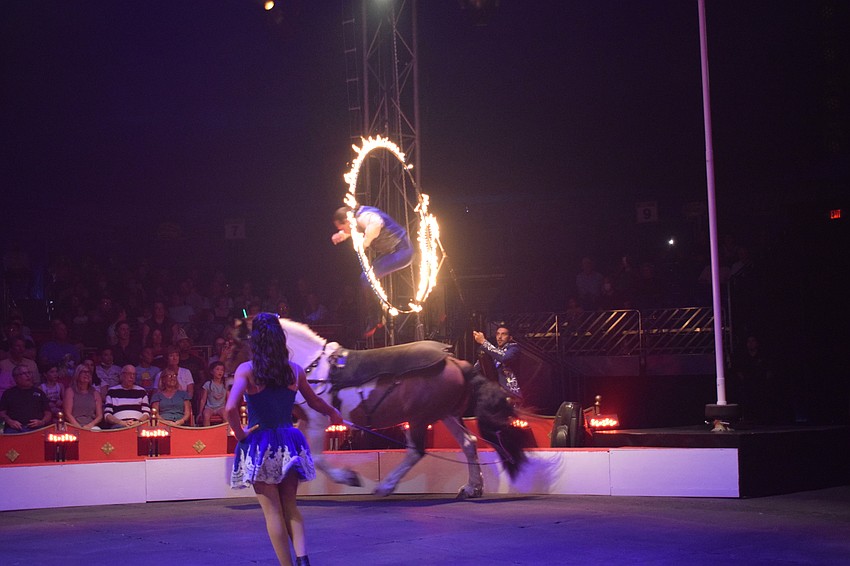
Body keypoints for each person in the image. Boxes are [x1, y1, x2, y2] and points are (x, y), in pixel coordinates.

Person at [227, 312, 342, 566]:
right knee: (291, 506)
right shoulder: (295, 371)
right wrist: (333, 412)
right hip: (289, 441)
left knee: (273, 512)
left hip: (260, 443)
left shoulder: (246, 371)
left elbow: (229, 409)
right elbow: (314, 402)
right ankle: (302, 559)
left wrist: (241, 434)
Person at [331, 205, 413, 280]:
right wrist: (343, 234)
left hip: (403, 251)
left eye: (341, 228)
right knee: (366, 277)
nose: (342, 230)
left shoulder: (363, 216)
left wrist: (364, 244)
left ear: (347, 220)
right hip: (394, 251)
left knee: (366, 279)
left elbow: (376, 224)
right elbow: (357, 227)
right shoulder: (357, 215)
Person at [472, 324, 522, 397]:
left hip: (510, 393)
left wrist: (484, 342)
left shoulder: (514, 348)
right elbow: (476, 369)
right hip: (495, 392)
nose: (499, 337)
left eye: (503, 334)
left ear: (510, 337)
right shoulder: (492, 350)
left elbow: (504, 358)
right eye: (497, 334)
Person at [0, 365, 52, 433]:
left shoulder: (39, 392)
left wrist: (42, 422)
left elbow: (48, 413)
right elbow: (1, 413)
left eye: (29, 373)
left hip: (37, 428)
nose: (28, 376)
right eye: (24, 373)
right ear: (16, 378)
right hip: (15, 429)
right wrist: (10, 421)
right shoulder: (8, 394)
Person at [63, 364, 103, 430]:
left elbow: (99, 416)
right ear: (77, 374)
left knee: (97, 430)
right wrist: (79, 428)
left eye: (88, 372)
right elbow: (67, 414)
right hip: (73, 425)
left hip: (90, 426)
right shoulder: (70, 391)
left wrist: (89, 426)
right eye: (84, 372)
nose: (87, 374)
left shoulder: (95, 393)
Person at [199, 361, 228, 426]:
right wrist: (200, 412)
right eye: (217, 369)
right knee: (206, 415)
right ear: (212, 372)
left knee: (225, 414)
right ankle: (207, 433)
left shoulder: (225, 384)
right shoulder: (208, 384)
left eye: (222, 370)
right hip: (210, 407)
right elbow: (203, 400)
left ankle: (227, 433)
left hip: (221, 407)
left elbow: (228, 398)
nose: (220, 371)